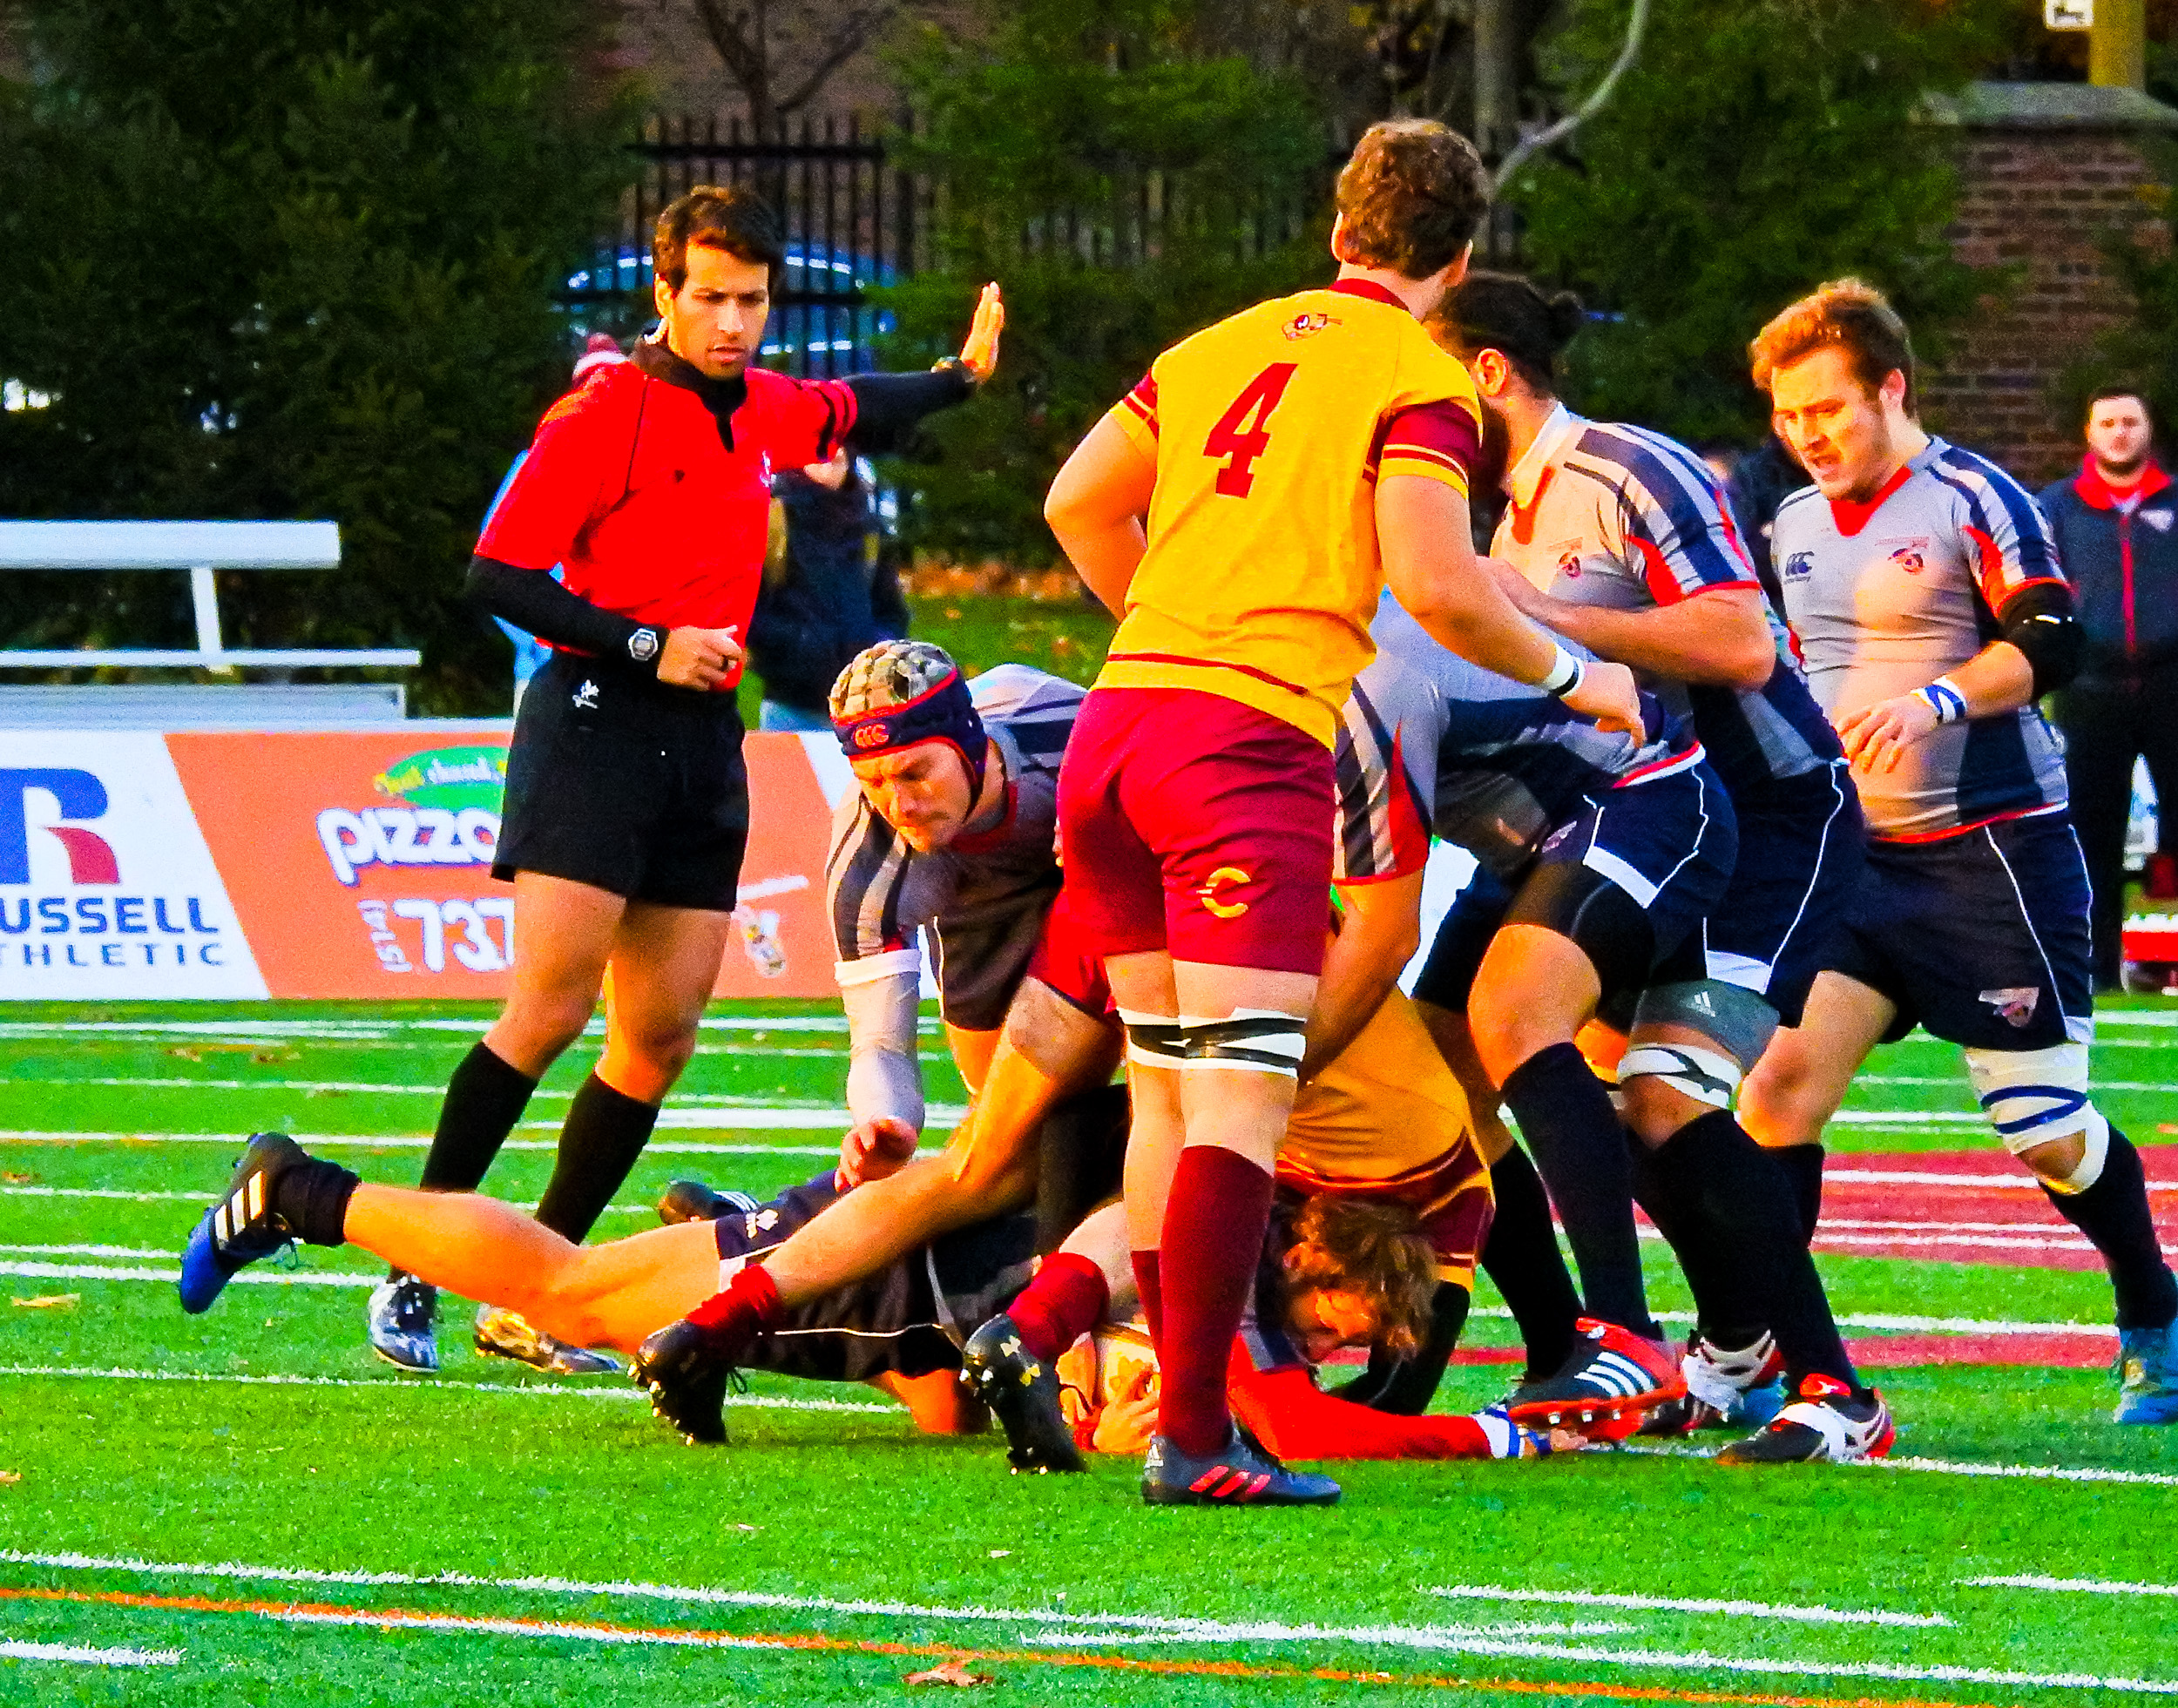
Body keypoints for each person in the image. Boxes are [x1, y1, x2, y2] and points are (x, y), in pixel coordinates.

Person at [1038, 118, 1639, 1508]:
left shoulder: (1217, 344)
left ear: (1338, 228)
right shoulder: (1419, 376)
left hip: (1118, 727)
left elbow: (1076, 502)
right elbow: (1439, 585)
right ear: (1461, 260)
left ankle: (1195, 1410)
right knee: (1242, 1100)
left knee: (1168, 1088)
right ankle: (1199, 1432)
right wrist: (1577, 672)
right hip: (1238, 747)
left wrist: (1168, 625)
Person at [362, 183, 1004, 1375]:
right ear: (664, 293)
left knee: (657, 1038)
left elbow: (855, 404)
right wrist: (646, 642)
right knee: (548, 1013)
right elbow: (497, 574)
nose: (733, 321)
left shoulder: (762, 405)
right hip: (596, 724)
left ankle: (538, 1286)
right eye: (709, 297)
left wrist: (959, 378)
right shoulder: (602, 414)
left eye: (751, 300)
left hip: (704, 741)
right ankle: (417, 1263)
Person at [1430, 274, 1878, 1454]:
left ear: (1485, 372)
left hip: (1774, 815)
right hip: (1632, 813)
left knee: (1667, 1091)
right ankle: (1697, 1347)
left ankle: (1834, 1389)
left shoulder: (1628, 466)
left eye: (1420, 383)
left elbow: (1738, 642)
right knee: (1546, 1080)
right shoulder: (1501, 512)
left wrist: (1544, 619)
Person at [1741, 278, 2178, 1429]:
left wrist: (1937, 699)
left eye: (1825, 408)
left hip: (1990, 856)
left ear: (1890, 387)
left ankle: (2153, 1305)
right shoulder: (1791, 520)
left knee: (2046, 1130)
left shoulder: (1971, 494)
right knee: (1775, 1092)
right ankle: (1769, 1354)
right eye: (1787, 416)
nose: (1806, 433)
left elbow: (2055, 639)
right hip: (1855, 857)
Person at [174, 1132, 1562, 1465]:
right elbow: (1291, 1419)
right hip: (890, 1278)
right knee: (573, 1292)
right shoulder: (1233, 1257)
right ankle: (300, 1192)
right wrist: (1493, 1433)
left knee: (948, 1415)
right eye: (1347, 1323)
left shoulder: (1239, 1238)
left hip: (921, 1307)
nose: (1334, 1348)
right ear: (1322, 1259)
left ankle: (715, 1232)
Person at [2038, 388, 2178, 991]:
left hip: (2172, 686)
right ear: (2089, 432)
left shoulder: (2175, 502)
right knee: (2091, 831)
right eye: (2108, 423)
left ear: (2148, 430)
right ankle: (2096, 970)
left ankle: (2164, 960)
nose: (2120, 433)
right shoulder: (2055, 508)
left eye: (2130, 421)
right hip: (2089, 690)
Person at [748, 447, 911, 732]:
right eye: (820, 443)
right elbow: (748, 610)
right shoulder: (771, 520)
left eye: (840, 442)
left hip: (864, 710)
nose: (834, 453)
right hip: (791, 707)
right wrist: (798, 651)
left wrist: (873, 654)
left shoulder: (868, 527)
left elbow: (891, 611)